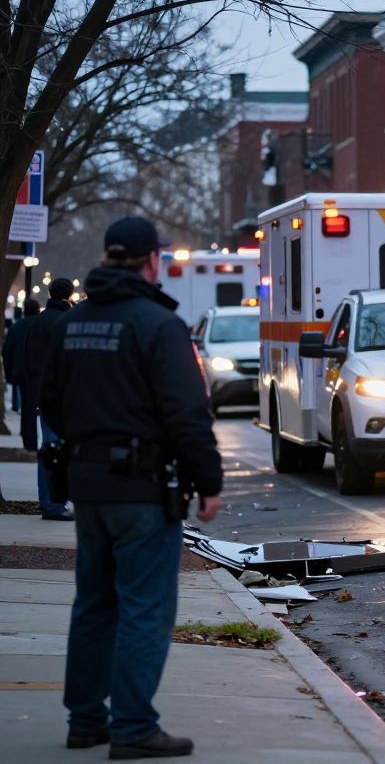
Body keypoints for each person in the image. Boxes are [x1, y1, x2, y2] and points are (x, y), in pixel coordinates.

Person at [40, 216, 223, 759]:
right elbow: (188, 413)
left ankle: (86, 720)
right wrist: (208, 482)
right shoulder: (158, 325)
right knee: (145, 606)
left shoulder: (72, 324)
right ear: (150, 261)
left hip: (87, 485)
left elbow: (50, 402)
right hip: (143, 489)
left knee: (94, 602)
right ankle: (135, 726)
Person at [25, 280, 75, 520]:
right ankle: (54, 503)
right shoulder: (64, 321)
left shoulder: (40, 321)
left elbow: (30, 358)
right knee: (57, 449)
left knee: (49, 449)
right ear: (69, 295)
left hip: (44, 393)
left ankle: (50, 500)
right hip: (61, 395)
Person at [3, 300, 41, 443]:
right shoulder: (38, 326)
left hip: (20, 371)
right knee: (34, 404)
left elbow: (7, 350)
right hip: (37, 371)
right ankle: (32, 436)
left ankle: (27, 435)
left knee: (26, 404)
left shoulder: (16, 327)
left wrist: (9, 372)